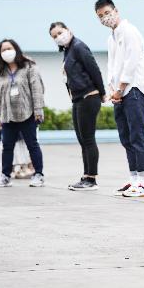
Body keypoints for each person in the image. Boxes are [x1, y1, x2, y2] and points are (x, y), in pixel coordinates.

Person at [95, 0, 144, 197]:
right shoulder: (111, 37)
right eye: (100, 16)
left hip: (134, 89)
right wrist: (112, 89)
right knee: (125, 136)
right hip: (119, 93)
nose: (105, 18)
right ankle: (134, 178)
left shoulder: (129, 31)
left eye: (107, 13)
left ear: (116, 10)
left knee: (137, 135)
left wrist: (120, 88)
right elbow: (112, 66)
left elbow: (131, 61)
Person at [49, 22, 105, 191]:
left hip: (89, 96)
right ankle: (86, 175)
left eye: (60, 32)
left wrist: (101, 92)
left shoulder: (79, 46)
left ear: (68, 30)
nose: (58, 36)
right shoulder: (68, 50)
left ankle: (91, 179)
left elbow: (94, 70)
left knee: (88, 138)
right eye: (54, 36)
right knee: (82, 140)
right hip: (78, 99)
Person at [0, 39, 46, 188]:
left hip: (27, 114)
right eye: (3, 50)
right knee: (7, 147)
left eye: (9, 48)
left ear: (16, 49)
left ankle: (38, 175)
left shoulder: (29, 66)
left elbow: (37, 90)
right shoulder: (1, 72)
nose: (6, 52)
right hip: (7, 116)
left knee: (32, 145)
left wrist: (38, 111)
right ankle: (5, 176)